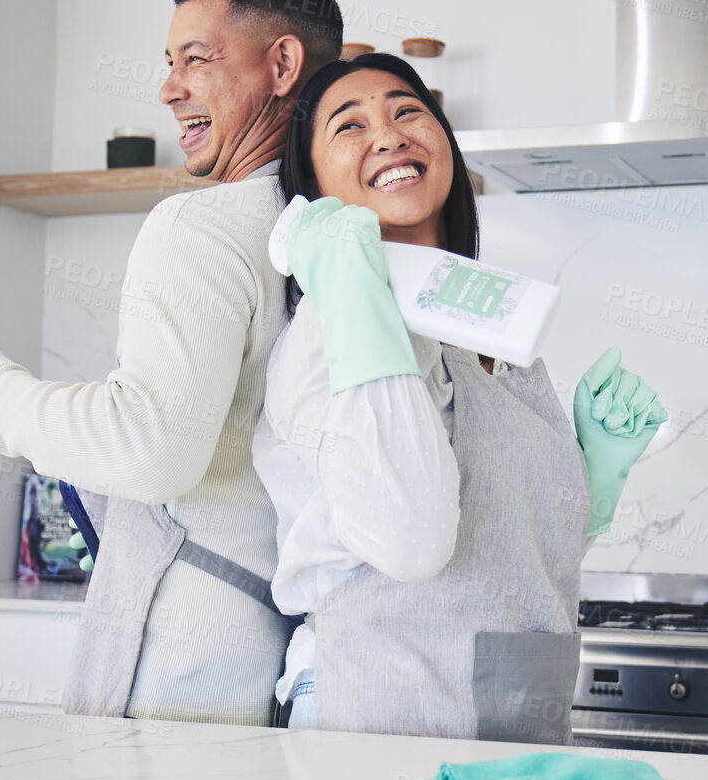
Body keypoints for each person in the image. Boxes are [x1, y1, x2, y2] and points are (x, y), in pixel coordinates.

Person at [0, 0, 343, 726]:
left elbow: (148, 444)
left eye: (195, 59)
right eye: (168, 63)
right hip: (276, 647)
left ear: (282, 63)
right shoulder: (338, 237)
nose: (168, 88)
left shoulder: (201, 226)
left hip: (183, 644)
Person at [255, 53, 666, 741]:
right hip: (380, 721)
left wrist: (591, 480)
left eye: (406, 110)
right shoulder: (329, 335)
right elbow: (409, 538)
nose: (387, 134)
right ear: (315, 186)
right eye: (348, 126)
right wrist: (351, 288)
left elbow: (509, 555)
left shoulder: (499, 337)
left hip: (517, 722)